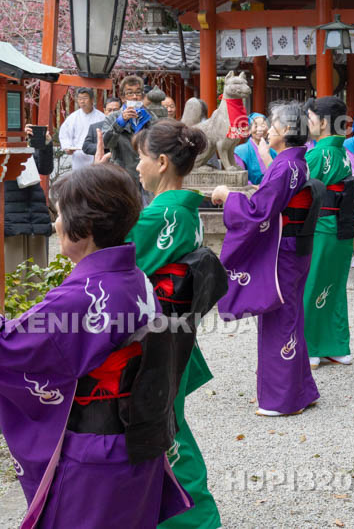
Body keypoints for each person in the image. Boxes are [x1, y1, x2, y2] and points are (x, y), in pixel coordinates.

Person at [0, 163, 193, 528]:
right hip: (139, 448)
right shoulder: (136, 278)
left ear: (86, 227)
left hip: (95, 459)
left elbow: (0, 346)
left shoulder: (82, 298)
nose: (55, 224)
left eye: (61, 214)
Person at [126, 119, 223, 529]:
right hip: (173, 333)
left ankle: (196, 516)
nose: (137, 167)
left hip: (157, 340)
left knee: (164, 428)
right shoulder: (183, 210)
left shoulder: (160, 217)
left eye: (141, 158)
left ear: (162, 162)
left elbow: (115, 263)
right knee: (164, 422)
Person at [213, 102, 322, 416]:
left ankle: (282, 399)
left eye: (272, 125)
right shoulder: (294, 161)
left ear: (286, 130)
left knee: (279, 318)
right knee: (291, 315)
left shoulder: (286, 166)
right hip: (294, 248)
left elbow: (258, 211)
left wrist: (229, 197)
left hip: (284, 251)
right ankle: (300, 389)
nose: (266, 130)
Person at [302, 96, 354, 369]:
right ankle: (336, 347)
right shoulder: (344, 154)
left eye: (310, 119)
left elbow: (297, 192)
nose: (307, 124)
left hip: (321, 228)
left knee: (312, 284)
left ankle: (311, 347)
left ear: (323, 123)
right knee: (334, 286)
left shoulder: (316, 155)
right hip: (342, 228)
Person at [4, 125, 54, 272]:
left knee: (38, 270)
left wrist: (45, 144)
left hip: (35, 209)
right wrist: (16, 143)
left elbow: (45, 168)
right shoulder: (0, 141)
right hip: (12, 210)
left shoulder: (29, 142)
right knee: (13, 269)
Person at [103, 75, 157, 202]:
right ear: (123, 97)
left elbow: (158, 144)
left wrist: (147, 124)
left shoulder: (150, 116)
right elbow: (107, 143)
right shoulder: (113, 117)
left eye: (138, 93)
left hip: (147, 174)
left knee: (148, 209)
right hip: (123, 174)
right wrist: (120, 123)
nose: (134, 97)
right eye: (130, 93)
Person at [58, 87, 106, 172]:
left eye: (85, 98)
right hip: (78, 156)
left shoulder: (101, 117)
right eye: (80, 99)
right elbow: (64, 134)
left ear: (92, 100)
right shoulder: (73, 117)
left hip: (95, 155)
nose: (82, 101)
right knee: (79, 178)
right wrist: (67, 147)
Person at [233, 113, 277, 185]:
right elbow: (239, 179)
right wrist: (256, 187)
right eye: (256, 126)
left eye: (263, 125)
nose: (260, 129)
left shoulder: (273, 151)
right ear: (249, 130)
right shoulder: (240, 151)